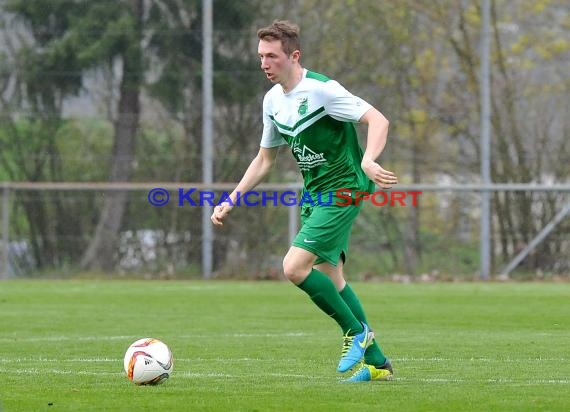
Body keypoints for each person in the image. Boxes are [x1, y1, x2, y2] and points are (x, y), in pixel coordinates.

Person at [211, 20, 398, 382]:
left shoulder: (322, 90)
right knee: (333, 278)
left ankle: (356, 334)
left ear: (294, 55)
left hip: (344, 188)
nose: (265, 63)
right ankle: (378, 364)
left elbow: (378, 119)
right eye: (261, 56)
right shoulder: (272, 101)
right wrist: (231, 199)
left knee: (294, 267)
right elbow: (265, 159)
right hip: (314, 194)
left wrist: (368, 159)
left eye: (273, 56)